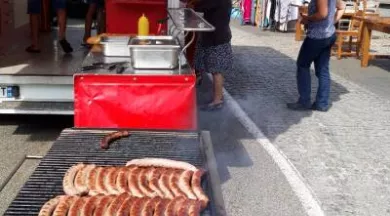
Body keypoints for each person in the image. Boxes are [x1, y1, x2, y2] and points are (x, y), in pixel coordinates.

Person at [287, 0, 345, 112]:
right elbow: (342, 6)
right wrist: (331, 22)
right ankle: (322, 103)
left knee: (303, 65)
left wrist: (307, 19)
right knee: (322, 69)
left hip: (317, 36)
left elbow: (322, 14)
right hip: (329, 35)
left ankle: (304, 102)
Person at [192, 0, 233, 111]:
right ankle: (196, 82)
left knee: (216, 70)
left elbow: (198, 7)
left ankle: (217, 100)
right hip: (212, 35)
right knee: (199, 61)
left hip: (217, 37)